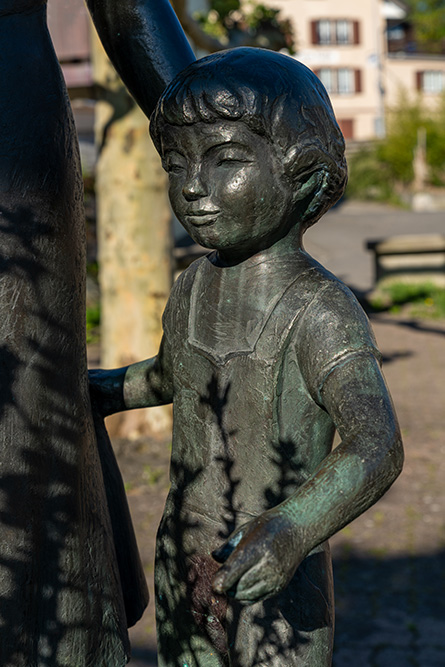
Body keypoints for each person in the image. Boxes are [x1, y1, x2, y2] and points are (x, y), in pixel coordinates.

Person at [89, 47, 403, 666]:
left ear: (302, 172)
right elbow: (167, 378)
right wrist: (100, 390)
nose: (194, 187)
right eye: (176, 166)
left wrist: (292, 529)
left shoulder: (319, 309)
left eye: (226, 160)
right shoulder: (193, 286)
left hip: (275, 579)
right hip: (183, 555)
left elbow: (376, 446)